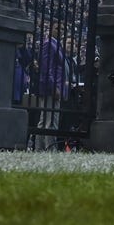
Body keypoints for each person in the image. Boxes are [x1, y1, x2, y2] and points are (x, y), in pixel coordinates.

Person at [36, 22, 67, 150]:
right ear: (51, 29)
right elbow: (46, 67)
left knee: (44, 120)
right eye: (57, 28)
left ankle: (39, 149)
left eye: (62, 29)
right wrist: (54, 87)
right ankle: (50, 150)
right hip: (52, 88)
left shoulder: (56, 44)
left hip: (53, 87)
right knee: (51, 121)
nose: (60, 31)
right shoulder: (49, 43)